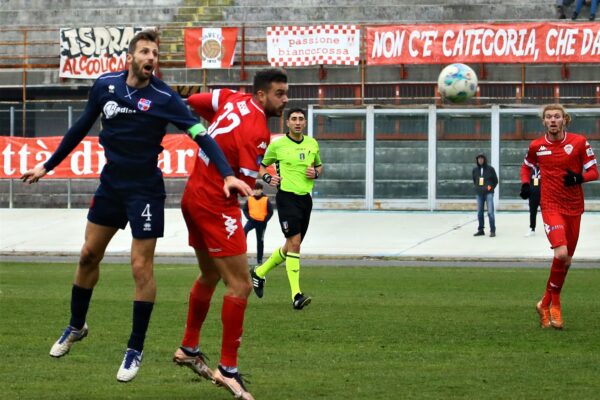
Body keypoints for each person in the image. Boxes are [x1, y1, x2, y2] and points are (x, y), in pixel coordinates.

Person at [20, 29, 251, 383]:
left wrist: (226, 174)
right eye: (145, 52)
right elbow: (81, 127)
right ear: (130, 57)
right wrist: (47, 165)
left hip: (145, 190)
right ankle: (76, 326)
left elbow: (201, 134)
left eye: (155, 54)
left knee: (140, 268)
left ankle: (135, 348)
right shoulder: (105, 86)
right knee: (87, 256)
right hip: (111, 185)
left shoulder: (165, 97)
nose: (151, 58)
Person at [172, 68, 288, 400]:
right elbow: (249, 186)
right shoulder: (259, 132)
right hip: (215, 204)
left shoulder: (229, 97)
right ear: (263, 95)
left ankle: (189, 347)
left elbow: (194, 101)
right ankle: (228, 368)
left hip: (192, 195)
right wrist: (269, 180)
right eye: (280, 94)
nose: (285, 100)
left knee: (209, 273)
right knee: (240, 284)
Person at [520, 103, 598, 329]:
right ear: (544, 122)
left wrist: (578, 178)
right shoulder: (537, 146)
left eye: (557, 116)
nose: (553, 120)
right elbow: (526, 167)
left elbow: (594, 171)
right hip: (550, 205)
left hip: (574, 207)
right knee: (561, 254)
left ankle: (544, 303)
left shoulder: (579, 142)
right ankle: (555, 305)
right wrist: (526, 184)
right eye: (548, 117)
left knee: (567, 262)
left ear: (565, 119)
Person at [250, 108, 322, 310]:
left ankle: (259, 272)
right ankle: (296, 296)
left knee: (291, 246)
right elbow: (262, 166)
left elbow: (319, 166)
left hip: (305, 199)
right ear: (287, 123)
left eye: (301, 119)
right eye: (294, 119)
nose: (298, 122)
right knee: (296, 243)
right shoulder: (278, 145)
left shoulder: (312, 143)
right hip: (286, 198)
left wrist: (315, 173)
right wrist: (267, 178)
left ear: (305, 123)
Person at [243, 182, 274, 265]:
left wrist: (265, 220)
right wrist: (249, 218)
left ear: (261, 190)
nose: (256, 191)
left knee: (260, 241)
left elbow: (271, 212)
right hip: (252, 221)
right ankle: (242, 255)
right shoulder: (250, 198)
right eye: (255, 189)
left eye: (258, 189)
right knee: (243, 232)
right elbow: (245, 209)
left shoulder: (265, 199)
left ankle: (259, 260)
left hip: (261, 223)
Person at [472, 153, 498, 237]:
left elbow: (495, 180)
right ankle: (481, 230)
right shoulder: (475, 170)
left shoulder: (490, 169)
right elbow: (474, 180)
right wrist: (477, 188)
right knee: (480, 212)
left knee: (490, 212)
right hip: (479, 194)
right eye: (479, 159)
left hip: (489, 193)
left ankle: (492, 230)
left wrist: (491, 187)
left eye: (482, 159)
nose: (480, 160)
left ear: (484, 159)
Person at [522, 166, 541, 237]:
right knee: (532, 212)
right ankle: (532, 228)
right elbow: (526, 180)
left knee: (546, 213)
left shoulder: (543, 168)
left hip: (543, 194)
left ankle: (548, 228)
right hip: (532, 195)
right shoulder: (530, 169)